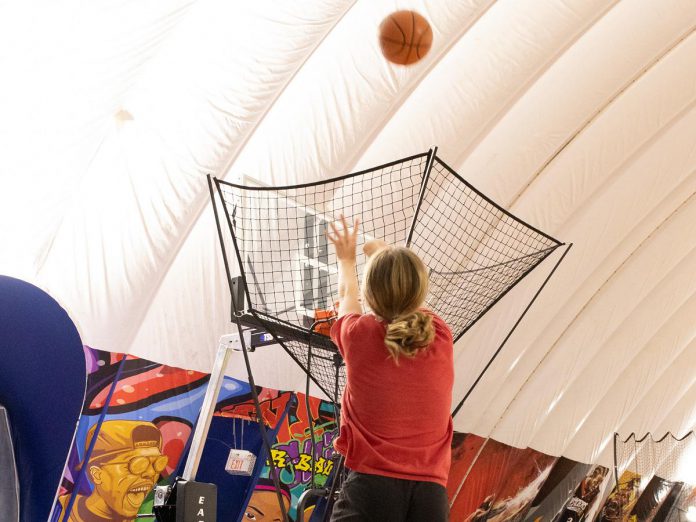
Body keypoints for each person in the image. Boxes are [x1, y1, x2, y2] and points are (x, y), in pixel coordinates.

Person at [326, 215, 454, 522]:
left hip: (373, 490)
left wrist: (347, 258)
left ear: (371, 295)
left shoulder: (359, 334)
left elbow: (347, 296)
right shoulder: (439, 333)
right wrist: (377, 250)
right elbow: (403, 293)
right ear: (419, 291)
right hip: (431, 498)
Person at [57, 420, 168, 522]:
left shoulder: (150, 517)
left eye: (157, 463)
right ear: (97, 474)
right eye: (138, 464)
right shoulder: (58, 512)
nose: (151, 473)